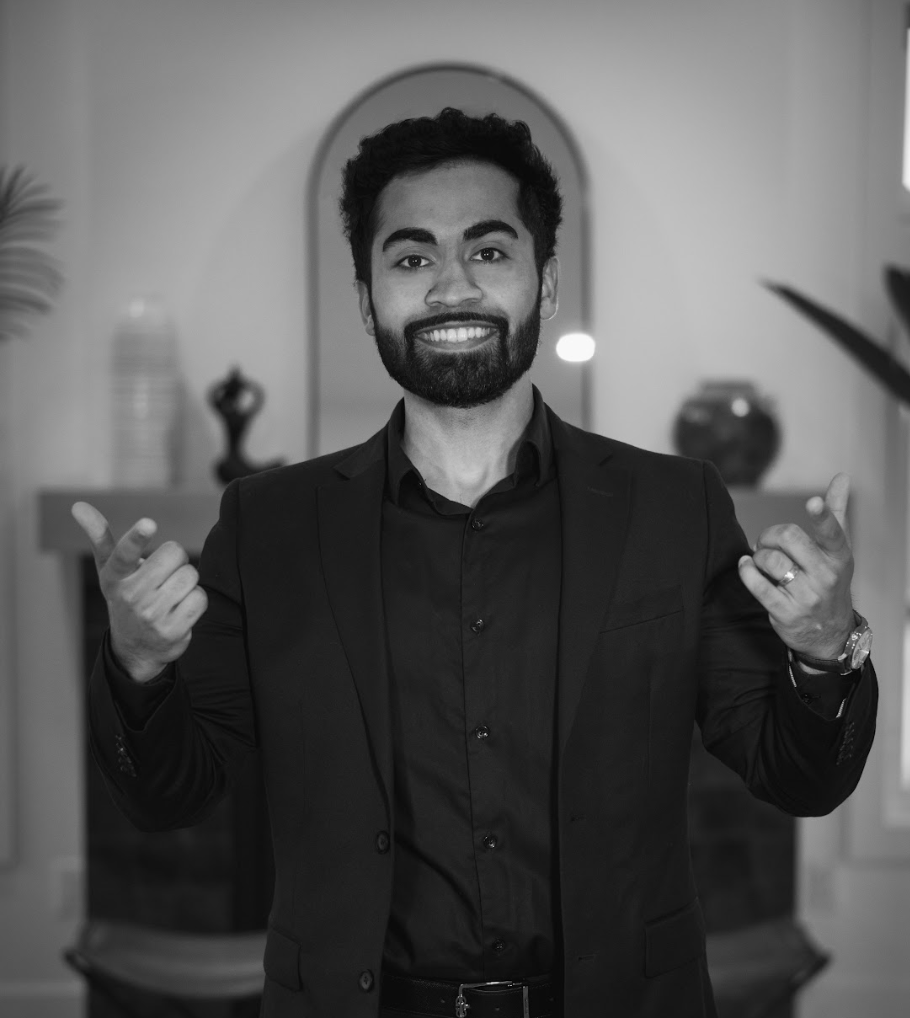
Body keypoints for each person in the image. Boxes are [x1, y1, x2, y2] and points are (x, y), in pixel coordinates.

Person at [73, 108, 877, 1018]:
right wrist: (138, 665)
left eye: (489, 252)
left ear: (547, 281)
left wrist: (822, 649)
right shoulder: (269, 526)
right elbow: (172, 795)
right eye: (411, 259)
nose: (452, 286)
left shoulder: (672, 508)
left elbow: (799, 775)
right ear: (366, 296)